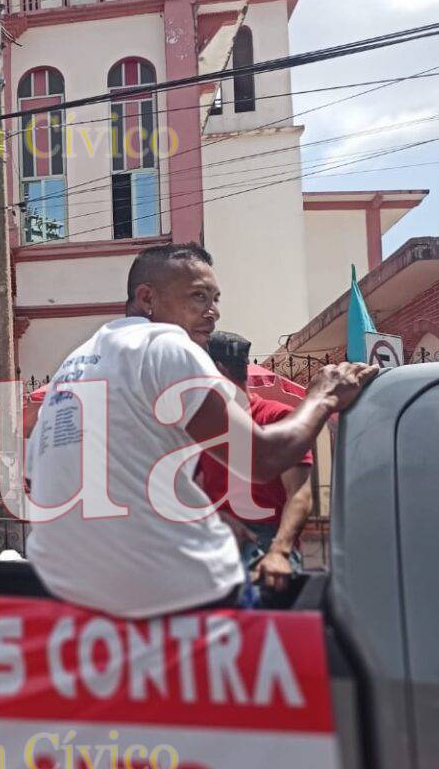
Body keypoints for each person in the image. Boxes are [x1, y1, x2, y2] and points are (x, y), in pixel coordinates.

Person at [25, 243, 376, 617]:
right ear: (147, 298)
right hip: (167, 588)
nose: (213, 312)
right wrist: (323, 397)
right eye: (198, 297)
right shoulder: (166, 345)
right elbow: (262, 459)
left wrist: (211, 519)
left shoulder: (76, 362)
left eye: (215, 298)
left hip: (65, 584)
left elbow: (73, 477)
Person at [199, 331, 316, 603]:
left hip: (265, 544)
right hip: (217, 542)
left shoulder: (277, 417)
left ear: (218, 370)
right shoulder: (203, 423)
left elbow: (299, 493)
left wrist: (279, 552)